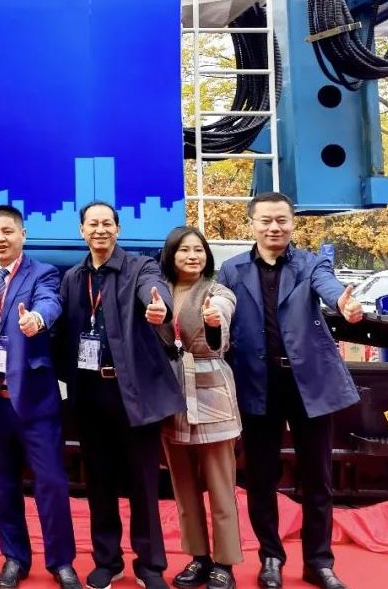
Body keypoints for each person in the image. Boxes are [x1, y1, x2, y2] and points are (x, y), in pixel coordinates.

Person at [218, 192, 363, 589]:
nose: (274, 227)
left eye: (281, 220)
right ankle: (270, 557)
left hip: (308, 383)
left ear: (292, 223)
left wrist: (344, 305)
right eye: (265, 220)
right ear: (252, 224)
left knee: (318, 477)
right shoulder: (231, 270)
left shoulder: (311, 264)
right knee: (261, 477)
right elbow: (222, 312)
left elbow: (329, 288)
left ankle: (319, 562)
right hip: (256, 383)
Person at [55, 200, 183, 589]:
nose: (100, 230)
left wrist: (159, 307)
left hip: (134, 395)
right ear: (81, 231)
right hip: (90, 394)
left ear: (118, 228)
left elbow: (155, 292)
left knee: (143, 483)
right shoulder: (73, 277)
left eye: (106, 223)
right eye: (92, 224)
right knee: (99, 483)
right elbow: (63, 332)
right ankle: (107, 561)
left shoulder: (141, 268)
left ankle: (150, 565)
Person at [0, 205, 81, 589]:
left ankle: (61, 561)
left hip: (35, 400)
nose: (0, 238)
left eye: (8, 231)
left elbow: (51, 302)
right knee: (1, 486)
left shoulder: (43, 272)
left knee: (52, 483)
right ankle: (15, 557)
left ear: (23, 235)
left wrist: (37, 319)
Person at [155, 226, 241, 589]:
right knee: (183, 485)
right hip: (172, 394)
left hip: (212, 392)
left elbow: (223, 314)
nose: (192, 256)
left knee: (221, 485)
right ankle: (198, 557)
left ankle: (225, 562)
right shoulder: (158, 291)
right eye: (184, 250)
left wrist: (214, 321)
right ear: (171, 255)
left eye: (198, 250)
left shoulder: (218, 292)